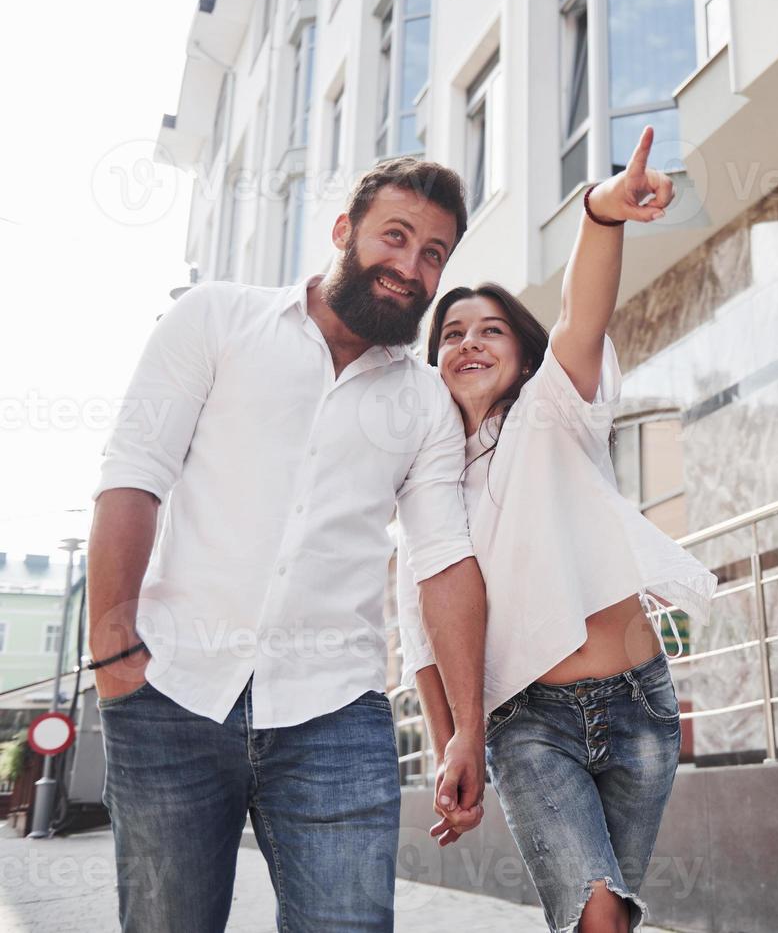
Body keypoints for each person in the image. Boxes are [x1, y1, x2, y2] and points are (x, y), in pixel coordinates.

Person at [88, 158, 489, 932]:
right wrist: (113, 648)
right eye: (395, 238)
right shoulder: (215, 318)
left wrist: (466, 727)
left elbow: (443, 559)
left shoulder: (425, 404)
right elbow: (134, 473)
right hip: (172, 691)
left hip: (335, 711)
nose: (410, 268)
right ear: (343, 232)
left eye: (433, 253)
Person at [399, 127, 716, 933]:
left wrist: (600, 215)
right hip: (528, 724)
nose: (468, 342)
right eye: (451, 334)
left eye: (489, 329)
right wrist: (451, 750)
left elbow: (581, 312)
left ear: (522, 351)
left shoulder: (553, 411)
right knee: (596, 914)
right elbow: (426, 646)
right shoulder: (423, 489)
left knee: (607, 915)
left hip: (642, 705)